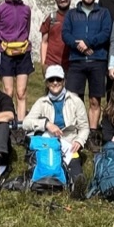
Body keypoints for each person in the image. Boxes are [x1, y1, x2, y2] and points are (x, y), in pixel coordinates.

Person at [22, 65, 90, 195]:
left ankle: (77, 184)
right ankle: (46, 180)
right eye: (51, 80)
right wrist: (46, 124)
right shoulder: (41, 102)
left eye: (58, 79)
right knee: (49, 158)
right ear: (47, 83)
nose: (55, 83)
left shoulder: (75, 101)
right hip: (48, 140)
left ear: (64, 81)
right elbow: (26, 123)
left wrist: (80, 140)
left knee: (73, 158)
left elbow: (84, 127)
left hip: (69, 141)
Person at [61, 0, 111, 143]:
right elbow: (66, 34)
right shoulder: (72, 14)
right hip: (77, 60)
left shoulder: (103, 13)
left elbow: (106, 32)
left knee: (95, 99)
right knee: (75, 98)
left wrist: (89, 43)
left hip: (98, 60)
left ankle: (93, 133)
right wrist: (80, 46)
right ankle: (76, 131)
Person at [0, 0, 33, 120]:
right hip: (6, 54)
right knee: (7, 91)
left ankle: (21, 124)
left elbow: (27, 30)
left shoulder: (26, 9)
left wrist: (26, 44)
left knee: (21, 92)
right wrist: (1, 47)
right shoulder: (0, 9)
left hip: (23, 53)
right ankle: (7, 121)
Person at [39, 0, 73, 74]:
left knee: (70, 88)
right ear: (56, 0)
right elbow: (44, 42)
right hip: (52, 63)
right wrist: (43, 64)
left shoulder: (75, 17)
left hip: (71, 64)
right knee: (52, 87)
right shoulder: (50, 18)